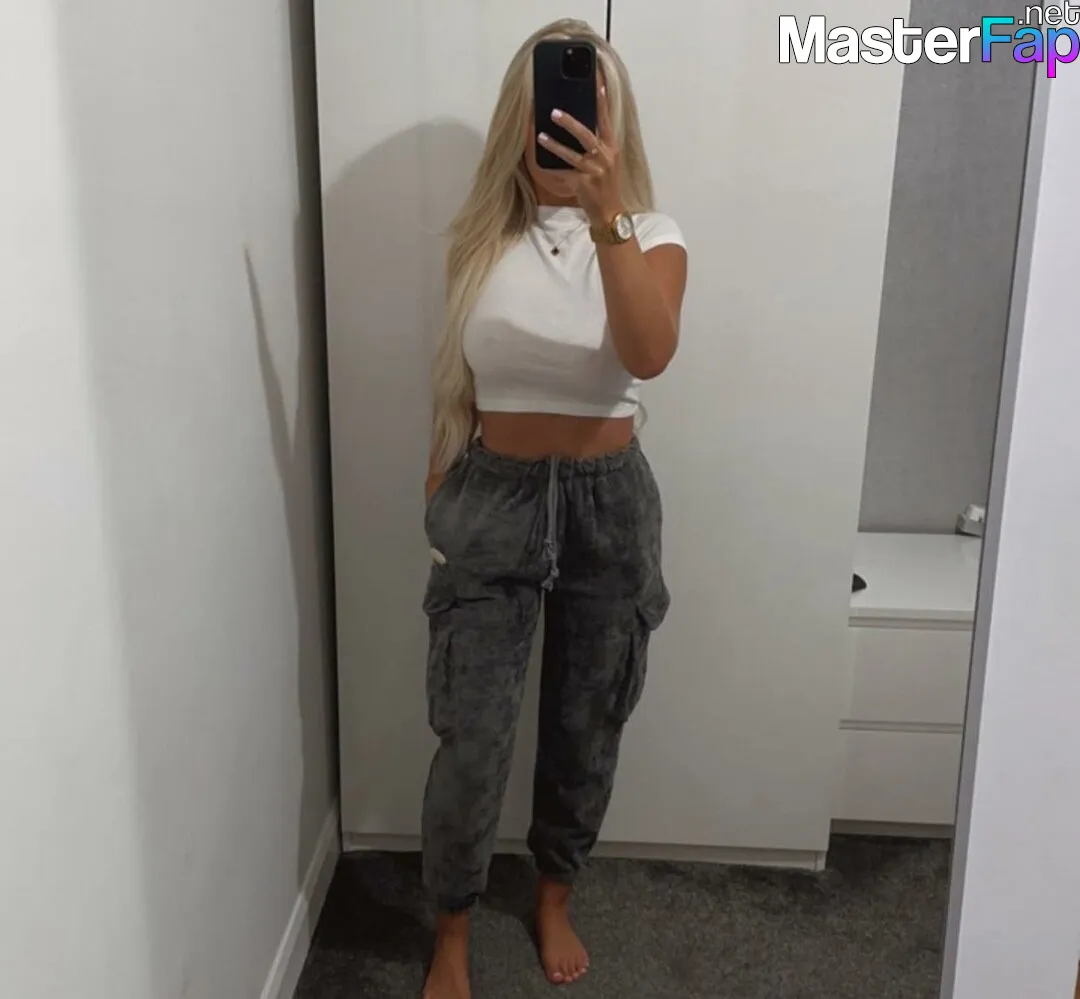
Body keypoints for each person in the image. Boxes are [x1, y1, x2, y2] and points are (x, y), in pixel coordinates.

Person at [420, 18, 688, 998]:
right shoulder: (478, 240)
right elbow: (457, 387)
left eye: (588, 108)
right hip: (492, 494)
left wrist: (610, 211)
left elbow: (649, 352)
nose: (569, 125)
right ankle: (452, 926)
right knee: (472, 733)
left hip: (606, 504)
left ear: (615, 123)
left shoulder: (654, 236)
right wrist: (439, 500)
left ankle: (553, 894)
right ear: (520, 118)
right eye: (553, 109)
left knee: (586, 720)